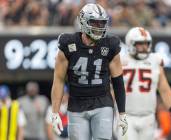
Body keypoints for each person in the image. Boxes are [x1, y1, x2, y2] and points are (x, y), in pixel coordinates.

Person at [51, 3, 127, 140]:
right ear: (83, 21)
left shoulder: (110, 45)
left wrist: (122, 112)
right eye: (95, 23)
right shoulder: (68, 44)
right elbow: (58, 80)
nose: (99, 27)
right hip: (76, 104)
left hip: (102, 102)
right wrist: (55, 112)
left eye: (102, 23)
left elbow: (118, 81)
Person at [121, 26, 171, 140]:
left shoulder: (155, 61)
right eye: (140, 43)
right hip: (126, 116)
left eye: (146, 43)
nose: (144, 47)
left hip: (148, 116)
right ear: (130, 44)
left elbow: (164, 89)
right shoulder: (120, 61)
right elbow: (112, 89)